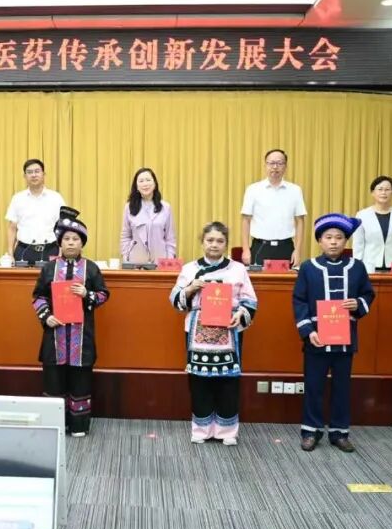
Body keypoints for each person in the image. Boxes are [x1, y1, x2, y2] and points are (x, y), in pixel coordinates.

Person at [292, 213, 375, 452]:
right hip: (316, 339)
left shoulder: (357, 267)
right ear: (320, 240)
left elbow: (368, 294)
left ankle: (339, 432)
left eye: (339, 237)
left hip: (345, 340)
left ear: (345, 241)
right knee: (313, 386)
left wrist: (358, 303)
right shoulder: (308, 267)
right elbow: (299, 301)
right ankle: (311, 431)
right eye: (328, 237)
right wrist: (308, 331)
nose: (334, 242)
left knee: (342, 388)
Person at [169, 222, 258, 444]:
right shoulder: (189, 268)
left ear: (226, 244)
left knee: (228, 381)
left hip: (229, 330)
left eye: (220, 241)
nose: (214, 245)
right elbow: (175, 299)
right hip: (197, 330)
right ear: (202, 242)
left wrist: (241, 314)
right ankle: (201, 430)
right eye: (210, 240)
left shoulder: (238, 269)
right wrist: (190, 288)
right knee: (199, 381)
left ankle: (227, 432)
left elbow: (250, 300)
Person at [31, 207, 109, 436]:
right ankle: (55, 425)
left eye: (75, 239)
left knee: (80, 381)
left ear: (82, 243)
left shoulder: (91, 268)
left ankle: (78, 425)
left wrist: (87, 294)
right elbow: (38, 296)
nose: (71, 243)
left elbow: (104, 295)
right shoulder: (49, 268)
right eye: (67, 239)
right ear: (60, 243)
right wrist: (46, 316)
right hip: (54, 336)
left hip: (81, 338)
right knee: (54, 380)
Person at [240, 148, 307, 266]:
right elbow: (246, 220)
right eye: (271, 163)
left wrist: (297, 250)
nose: (275, 167)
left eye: (279, 163)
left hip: (286, 247)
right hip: (260, 246)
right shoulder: (253, 189)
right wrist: (246, 249)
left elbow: (300, 221)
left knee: (288, 278)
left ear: (285, 166)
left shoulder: (295, 190)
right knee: (258, 278)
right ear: (265, 165)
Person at [6, 158, 65, 263]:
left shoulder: (56, 198)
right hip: (24, 250)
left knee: (50, 274)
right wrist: (10, 254)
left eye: (37, 171)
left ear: (43, 174)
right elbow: (12, 228)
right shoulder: (17, 198)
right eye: (29, 172)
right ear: (25, 176)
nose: (33, 175)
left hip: (51, 250)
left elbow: (62, 227)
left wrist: (61, 253)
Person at [352, 175, 392, 271]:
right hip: (369, 265)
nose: (383, 192)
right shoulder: (362, 215)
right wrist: (357, 264)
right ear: (373, 192)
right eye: (380, 189)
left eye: (387, 189)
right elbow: (358, 243)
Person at [120, 167, 176, 263]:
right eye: (141, 181)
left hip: (160, 261)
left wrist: (169, 260)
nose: (145, 184)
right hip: (136, 262)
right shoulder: (129, 207)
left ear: (155, 184)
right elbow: (125, 236)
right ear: (136, 187)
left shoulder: (165, 207)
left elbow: (170, 238)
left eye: (148, 180)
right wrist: (126, 257)